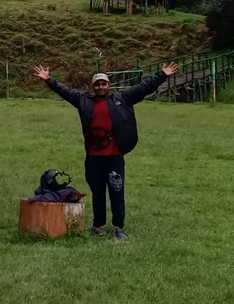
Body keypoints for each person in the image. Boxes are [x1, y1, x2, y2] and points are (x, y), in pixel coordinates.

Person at [33, 62, 179, 240]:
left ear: (109, 85)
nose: (101, 87)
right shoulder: (83, 100)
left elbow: (144, 88)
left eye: (104, 84)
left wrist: (162, 74)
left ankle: (119, 227)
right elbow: (66, 91)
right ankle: (98, 226)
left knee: (117, 192)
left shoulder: (122, 99)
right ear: (92, 87)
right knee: (98, 193)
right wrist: (49, 80)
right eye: (97, 84)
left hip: (114, 156)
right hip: (94, 158)